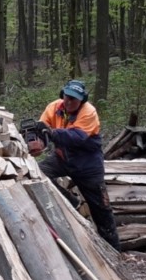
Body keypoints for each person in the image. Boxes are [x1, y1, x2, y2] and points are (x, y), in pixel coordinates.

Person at [28, 80, 122, 250]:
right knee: (38, 172)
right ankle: (70, 201)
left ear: (82, 100)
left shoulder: (88, 112)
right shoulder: (53, 107)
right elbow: (43, 129)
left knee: (101, 209)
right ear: (62, 94)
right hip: (62, 157)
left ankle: (114, 249)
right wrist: (39, 142)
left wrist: (52, 133)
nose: (69, 102)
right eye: (67, 97)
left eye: (74, 99)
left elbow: (77, 137)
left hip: (88, 164)